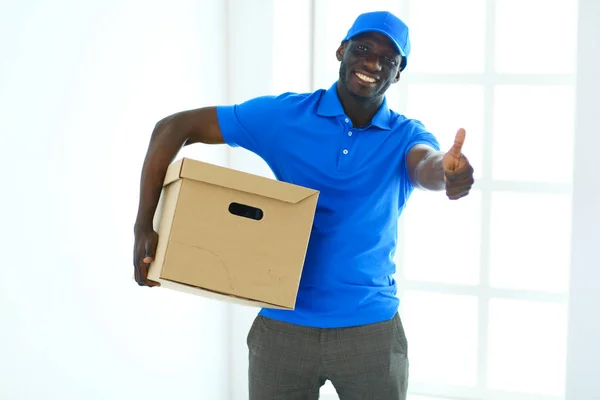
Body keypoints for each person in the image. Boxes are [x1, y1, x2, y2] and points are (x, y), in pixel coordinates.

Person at [133, 10, 474, 400]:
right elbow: (172, 128)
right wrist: (144, 225)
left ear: (398, 73)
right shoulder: (285, 116)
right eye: (362, 49)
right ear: (341, 50)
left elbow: (425, 164)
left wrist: (447, 174)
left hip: (371, 330)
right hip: (282, 326)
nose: (372, 63)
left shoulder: (405, 135)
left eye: (388, 59)